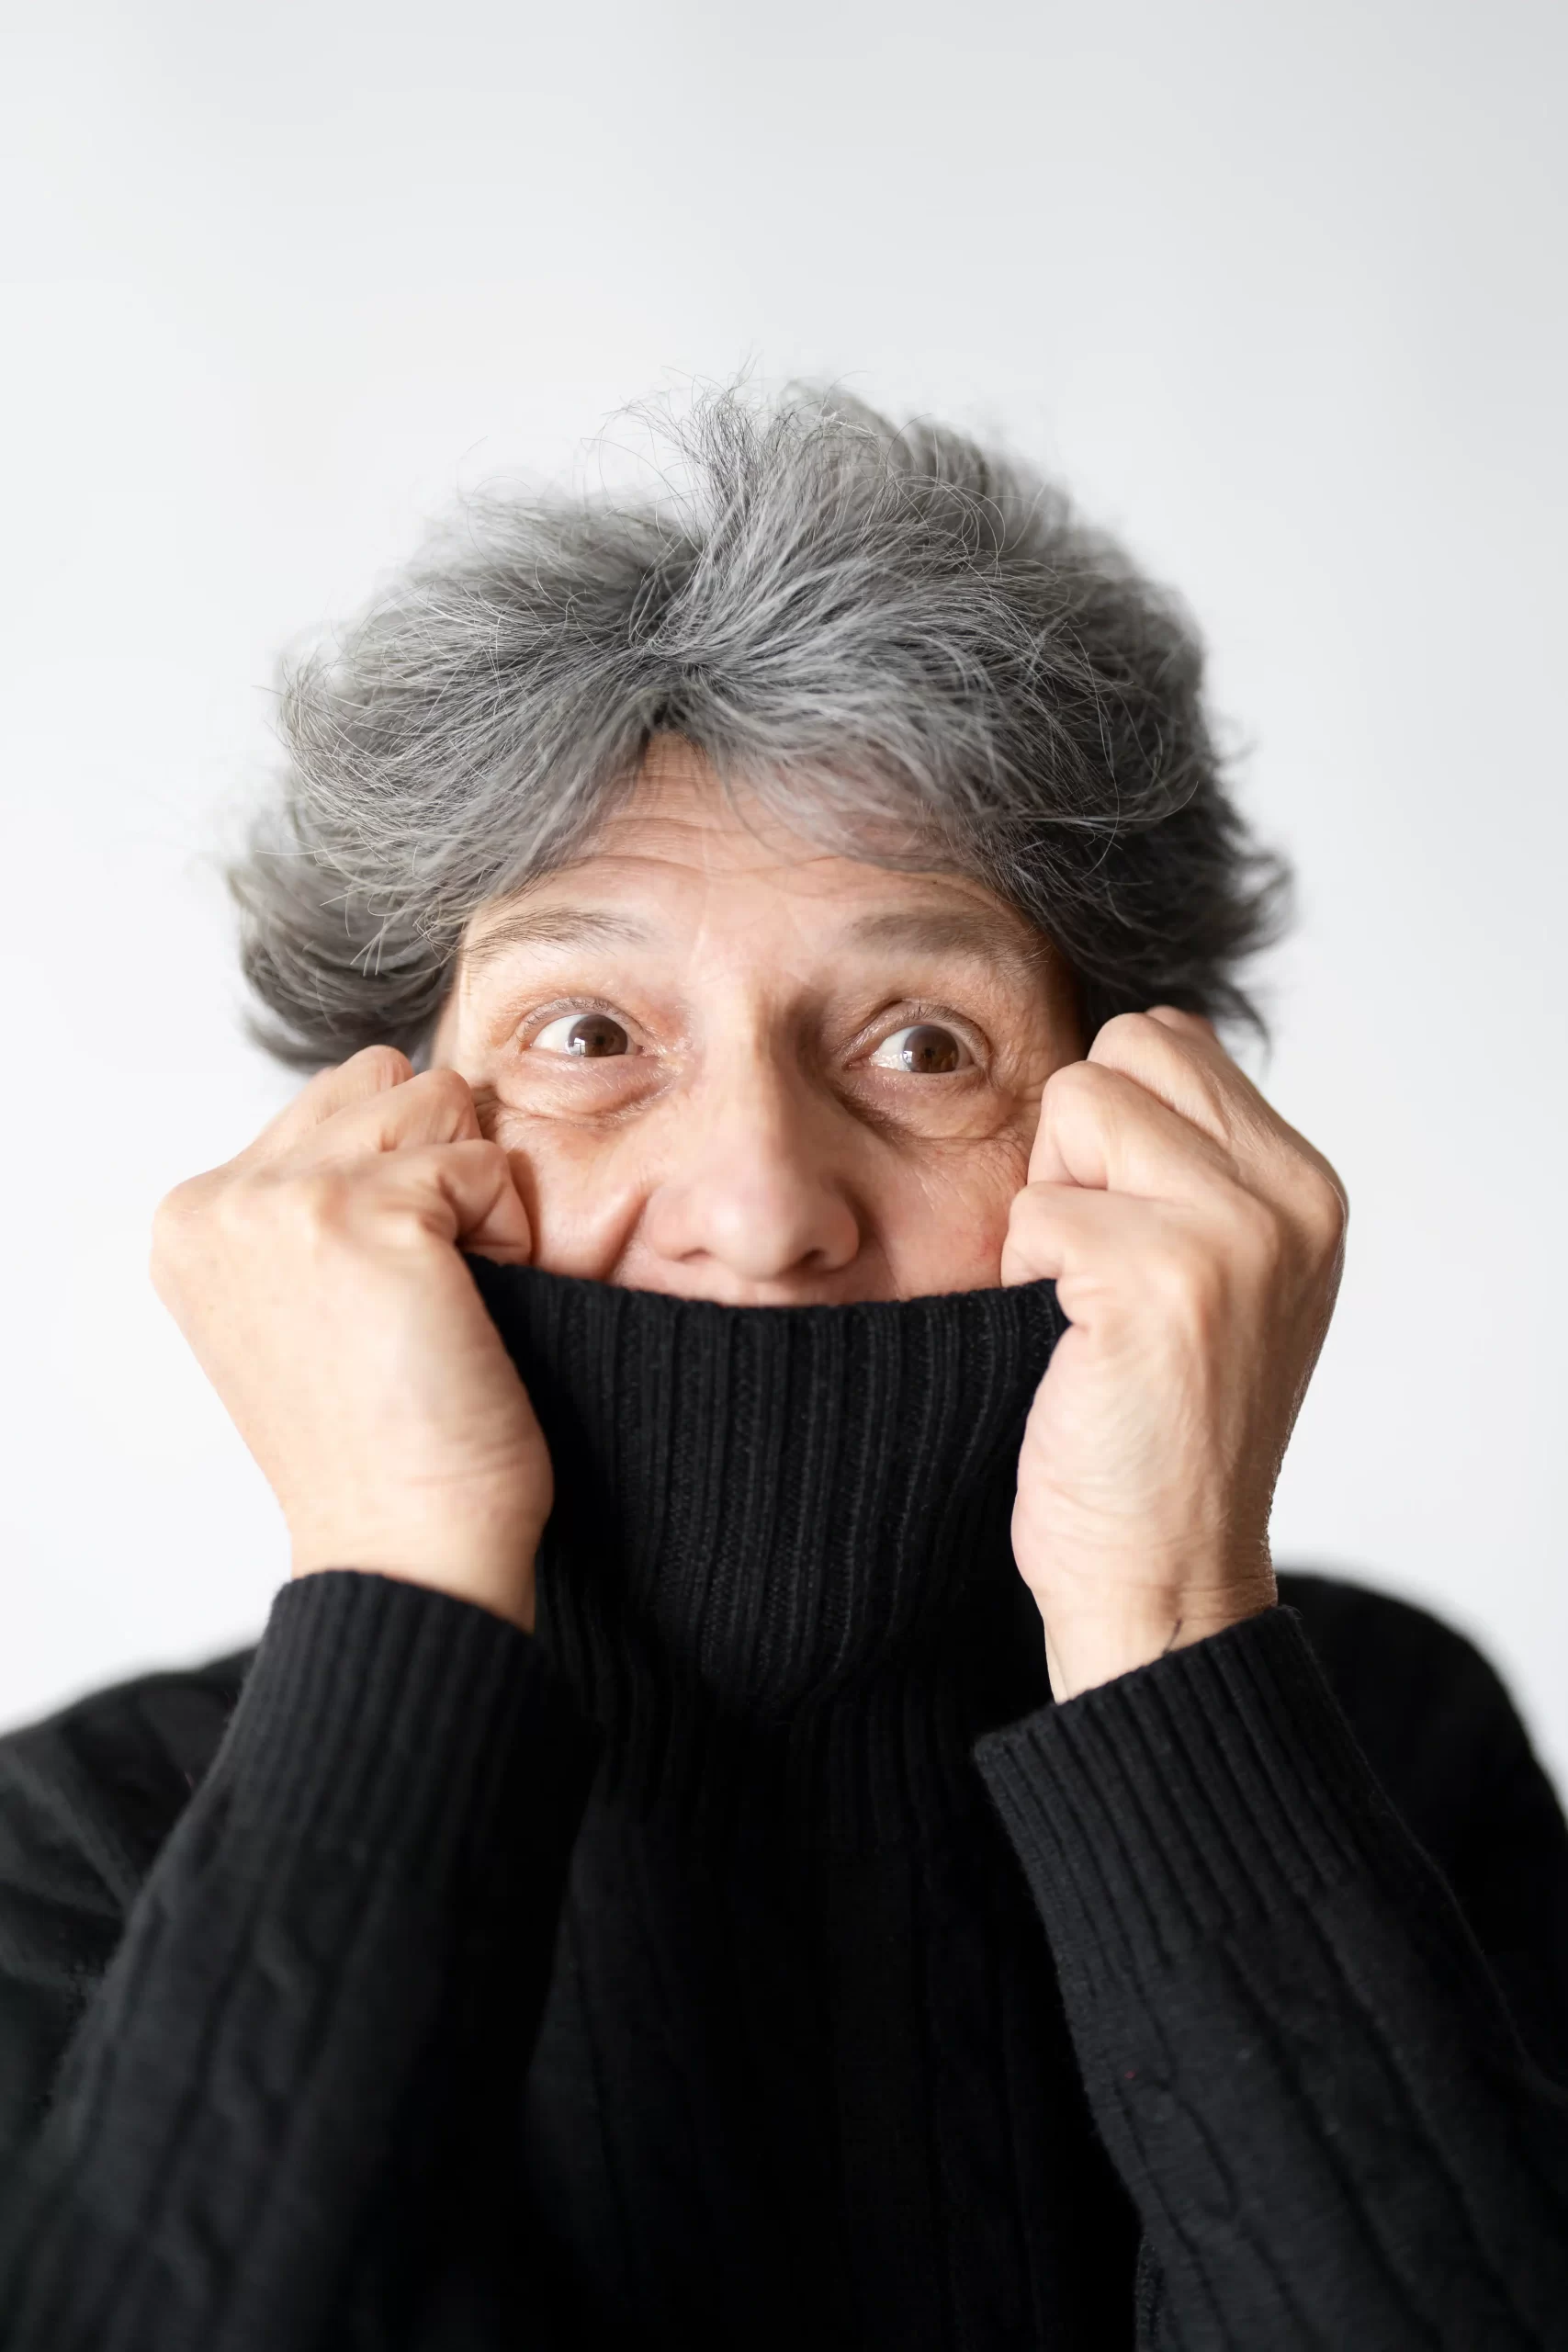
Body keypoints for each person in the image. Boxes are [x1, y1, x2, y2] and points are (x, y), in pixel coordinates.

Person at [1, 389, 1565, 2352]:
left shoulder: (1385, 1752)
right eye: (589, 1033)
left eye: (922, 1044)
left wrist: (1171, 1630)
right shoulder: (86, 1838)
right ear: (367, 1148)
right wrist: (397, 1571)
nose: (756, 1209)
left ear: (1135, 1131)